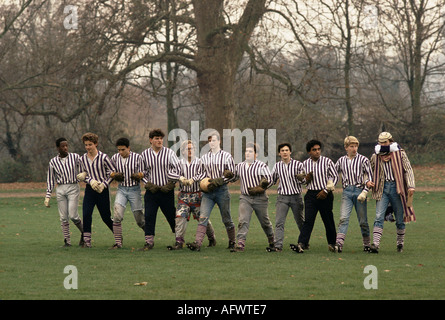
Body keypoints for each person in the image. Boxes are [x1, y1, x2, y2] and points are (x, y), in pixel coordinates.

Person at [186, 130, 236, 251]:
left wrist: (220, 180)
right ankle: (197, 243)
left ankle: (232, 241)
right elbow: (201, 173)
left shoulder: (227, 156)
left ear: (219, 141)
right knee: (203, 217)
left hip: (221, 190)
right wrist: (195, 180)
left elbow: (233, 175)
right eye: (209, 141)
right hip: (207, 192)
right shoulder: (204, 157)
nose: (211, 143)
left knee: (226, 218)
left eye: (214, 140)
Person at [369, 132, 415, 253]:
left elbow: (408, 169)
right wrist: (368, 181)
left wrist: (410, 186)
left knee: (400, 219)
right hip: (382, 188)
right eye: (381, 142)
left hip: (397, 188)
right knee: (379, 216)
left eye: (385, 142)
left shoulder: (400, 153)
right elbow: (369, 170)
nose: (383, 145)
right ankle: (375, 245)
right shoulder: (376, 156)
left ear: (390, 141)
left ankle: (400, 243)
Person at [290, 139, 339, 253]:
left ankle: (332, 243)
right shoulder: (305, 164)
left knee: (328, 220)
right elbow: (302, 181)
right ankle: (301, 243)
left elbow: (335, 177)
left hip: (325, 194)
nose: (317, 152)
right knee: (308, 220)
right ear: (309, 152)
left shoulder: (327, 162)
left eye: (318, 149)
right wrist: (305, 179)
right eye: (314, 150)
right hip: (311, 194)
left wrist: (326, 190)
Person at [167, 140, 216, 250]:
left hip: (197, 195)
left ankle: (212, 237)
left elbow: (204, 173)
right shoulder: (179, 163)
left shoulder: (199, 162)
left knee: (202, 218)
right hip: (183, 195)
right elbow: (170, 173)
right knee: (180, 217)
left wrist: (193, 179)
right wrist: (180, 178)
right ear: (183, 151)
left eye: (191, 148)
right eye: (187, 149)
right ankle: (179, 242)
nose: (190, 151)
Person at [139, 129, 180, 251]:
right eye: (156, 138)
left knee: (171, 215)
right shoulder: (145, 154)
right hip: (152, 192)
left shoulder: (169, 153)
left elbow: (177, 169)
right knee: (149, 216)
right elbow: (142, 173)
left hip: (166, 191)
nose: (159, 141)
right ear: (151, 140)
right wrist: (148, 184)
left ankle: (179, 240)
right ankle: (149, 242)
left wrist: (171, 184)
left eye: (161, 138)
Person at [230, 143, 274, 252]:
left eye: (250, 151)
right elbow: (233, 177)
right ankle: (240, 243)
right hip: (245, 197)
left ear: (256, 154)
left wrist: (261, 187)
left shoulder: (262, 166)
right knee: (243, 220)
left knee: (265, 222)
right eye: (246, 151)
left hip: (260, 198)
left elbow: (270, 180)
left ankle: (272, 240)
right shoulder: (240, 166)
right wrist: (228, 175)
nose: (247, 153)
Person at [334, 136, 374, 252]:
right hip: (347, 192)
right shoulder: (341, 160)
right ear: (346, 147)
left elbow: (369, 176)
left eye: (356, 146)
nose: (354, 148)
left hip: (359, 191)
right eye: (351, 146)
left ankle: (366, 243)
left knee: (363, 221)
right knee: (343, 218)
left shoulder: (363, 160)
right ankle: (339, 244)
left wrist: (365, 191)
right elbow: (334, 174)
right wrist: (330, 183)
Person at [77, 132, 116, 248]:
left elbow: (112, 173)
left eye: (90, 144)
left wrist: (104, 184)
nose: (88, 147)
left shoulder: (104, 157)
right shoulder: (82, 159)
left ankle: (118, 236)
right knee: (86, 214)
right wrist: (90, 181)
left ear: (96, 144)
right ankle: (87, 242)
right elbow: (82, 175)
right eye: (86, 145)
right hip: (90, 190)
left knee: (105, 217)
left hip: (102, 191)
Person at [45, 137, 84, 247]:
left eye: (66, 145)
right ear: (58, 148)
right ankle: (67, 241)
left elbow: (83, 169)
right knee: (63, 217)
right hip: (61, 188)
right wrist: (48, 196)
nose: (65, 148)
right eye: (63, 146)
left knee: (73, 215)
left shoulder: (75, 157)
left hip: (73, 186)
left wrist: (83, 175)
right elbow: (51, 179)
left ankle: (84, 234)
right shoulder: (53, 161)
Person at [267, 143, 305, 252]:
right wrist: (262, 186)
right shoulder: (277, 166)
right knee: (279, 222)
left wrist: (302, 178)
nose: (284, 152)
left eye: (286, 150)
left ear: (290, 152)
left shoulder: (298, 165)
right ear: (279, 153)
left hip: (296, 197)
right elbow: (272, 180)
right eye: (282, 150)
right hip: (282, 197)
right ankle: (278, 245)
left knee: (300, 222)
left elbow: (305, 180)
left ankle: (304, 242)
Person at [109, 137, 145, 249]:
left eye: (123, 150)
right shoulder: (115, 158)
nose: (120, 152)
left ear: (129, 148)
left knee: (139, 220)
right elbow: (109, 170)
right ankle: (118, 243)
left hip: (134, 189)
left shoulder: (138, 157)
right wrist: (114, 175)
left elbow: (144, 171)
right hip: (122, 189)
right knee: (117, 215)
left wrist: (139, 175)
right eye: (118, 150)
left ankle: (149, 236)